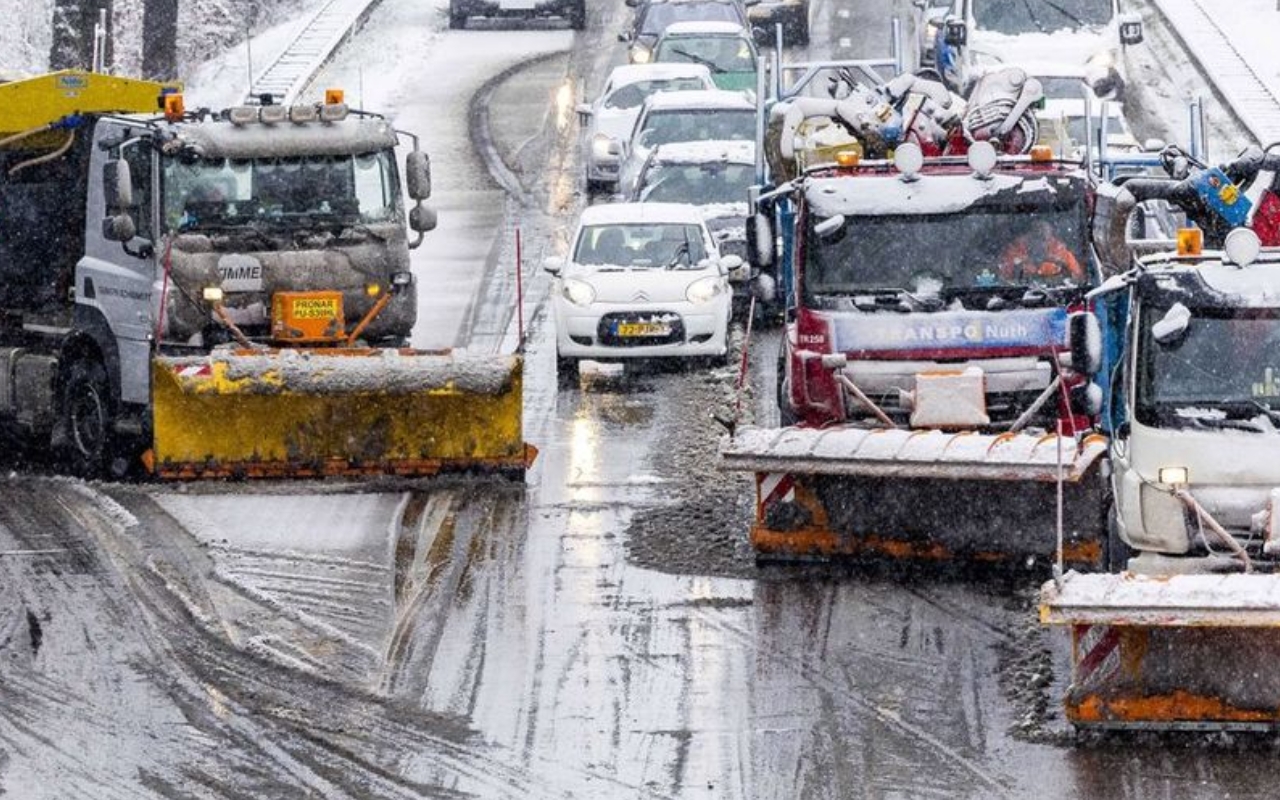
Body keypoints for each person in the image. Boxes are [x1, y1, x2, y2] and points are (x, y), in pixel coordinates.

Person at [998, 219, 1085, 283]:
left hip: (1058, 297)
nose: (1040, 241)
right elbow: (1002, 280)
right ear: (1028, 235)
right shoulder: (1013, 254)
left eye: (1043, 238)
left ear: (1050, 236)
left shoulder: (1063, 255)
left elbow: (1077, 279)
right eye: (1036, 236)